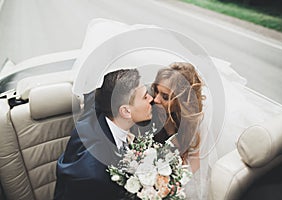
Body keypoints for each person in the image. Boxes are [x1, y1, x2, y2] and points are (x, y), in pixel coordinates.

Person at [54, 68, 153, 200]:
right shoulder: (96, 174)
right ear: (126, 112)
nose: (151, 99)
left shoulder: (101, 108)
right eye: (145, 96)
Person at [151, 62, 212, 199]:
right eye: (156, 91)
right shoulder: (151, 108)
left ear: (181, 100)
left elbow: (193, 169)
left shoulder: (194, 123)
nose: (156, 99)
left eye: (165, 97)